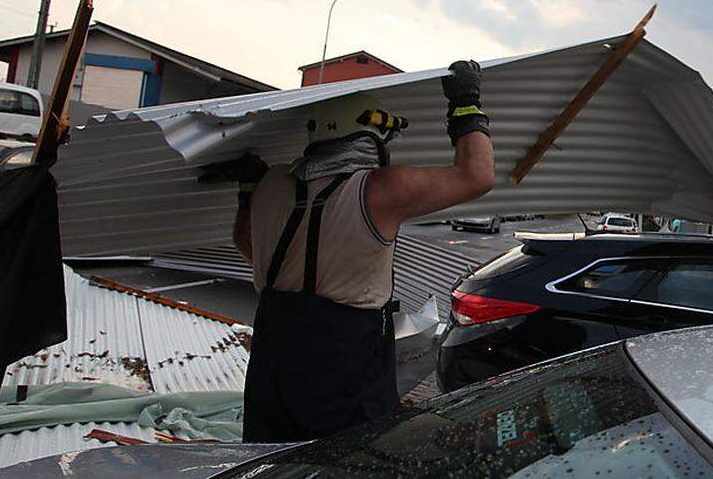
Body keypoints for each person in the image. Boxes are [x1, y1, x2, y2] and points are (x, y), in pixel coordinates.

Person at [202, 60, 495, 442]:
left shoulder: (271, 183)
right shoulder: (379, 188)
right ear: (368, 135)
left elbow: (250, 246)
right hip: (344, 352)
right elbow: (478, 175)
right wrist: (465, 101)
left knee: (272, 453)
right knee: (348, 454)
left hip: (275, 346)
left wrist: (248, 189)